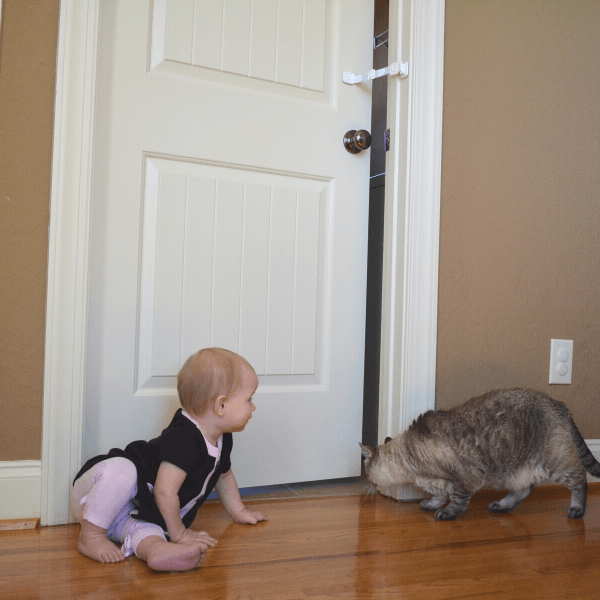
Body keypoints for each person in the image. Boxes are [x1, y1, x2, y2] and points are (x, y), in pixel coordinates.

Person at [71, 348, 268, 571]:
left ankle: (158, 553)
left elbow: (224, 475)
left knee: (152, 532)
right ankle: (91, 536)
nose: (253, 407)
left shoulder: (223, 438)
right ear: (220, 405)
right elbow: (165, 492)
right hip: (102, 490)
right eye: (249, 399)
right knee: (124, 472)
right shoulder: (184, 437)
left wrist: (239, 512)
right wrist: (180, 533)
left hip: (136, 511)